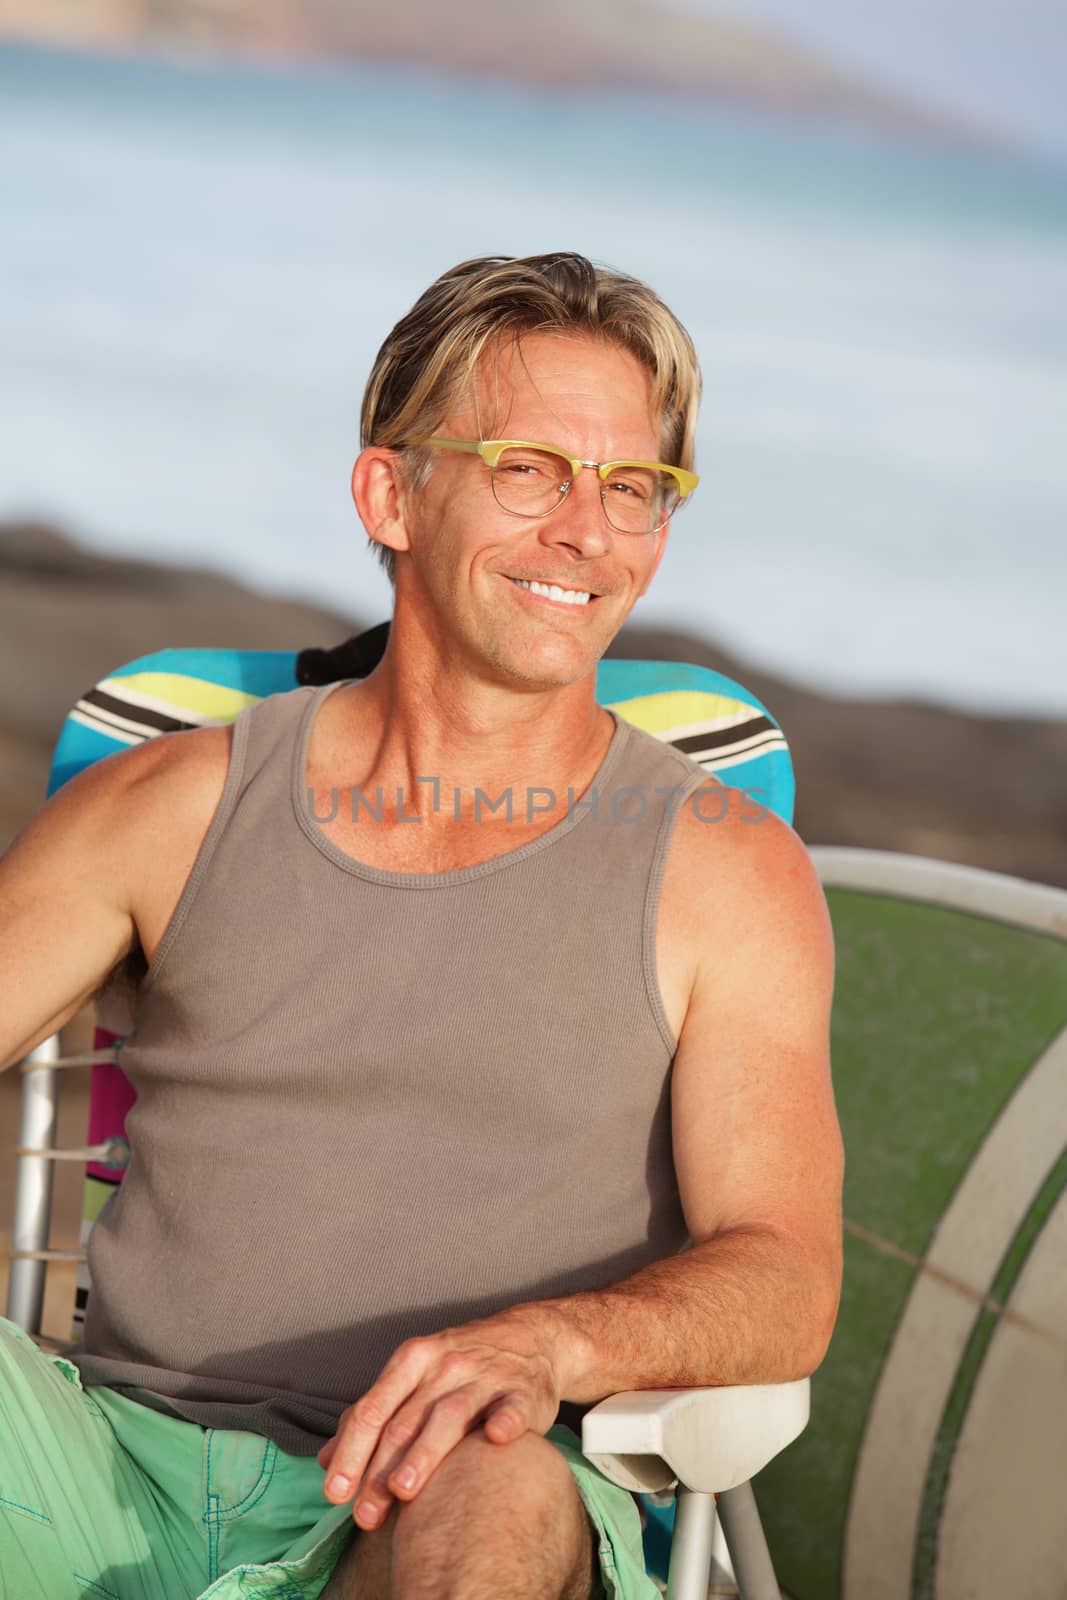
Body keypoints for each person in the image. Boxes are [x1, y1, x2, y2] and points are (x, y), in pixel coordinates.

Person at [0, 253, 843, 1600]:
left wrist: (551, 1349)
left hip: (436, 1497)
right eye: (531, 469)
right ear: (392, 493)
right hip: (99, 1471)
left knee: (498, 1495)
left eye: (632, 487)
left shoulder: (726, 871)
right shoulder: (167, 806)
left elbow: (788, 1278)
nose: (588, 531)